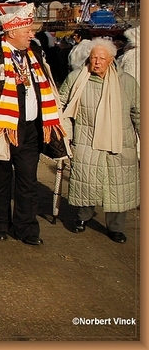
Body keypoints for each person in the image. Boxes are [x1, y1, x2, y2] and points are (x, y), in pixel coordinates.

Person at [0, 2, 67, 245]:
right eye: (27, 31)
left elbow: (49, 87)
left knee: (28, 181)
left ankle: (26, 228)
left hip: (30, 128)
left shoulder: (36, 55)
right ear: (12, 32)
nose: (32, 34)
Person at [59, 38, 140, 243]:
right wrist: (67, 135)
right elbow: (61, 105)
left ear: (111, 60)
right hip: (87, 141)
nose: (96, 62)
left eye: (101, 58)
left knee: (118, 187)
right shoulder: (77, 78)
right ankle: (82, 218)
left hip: (120, 142)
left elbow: (139, 113)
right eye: (93, 57)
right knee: (87, 183)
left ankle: (116, 228)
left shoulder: (128, 82)